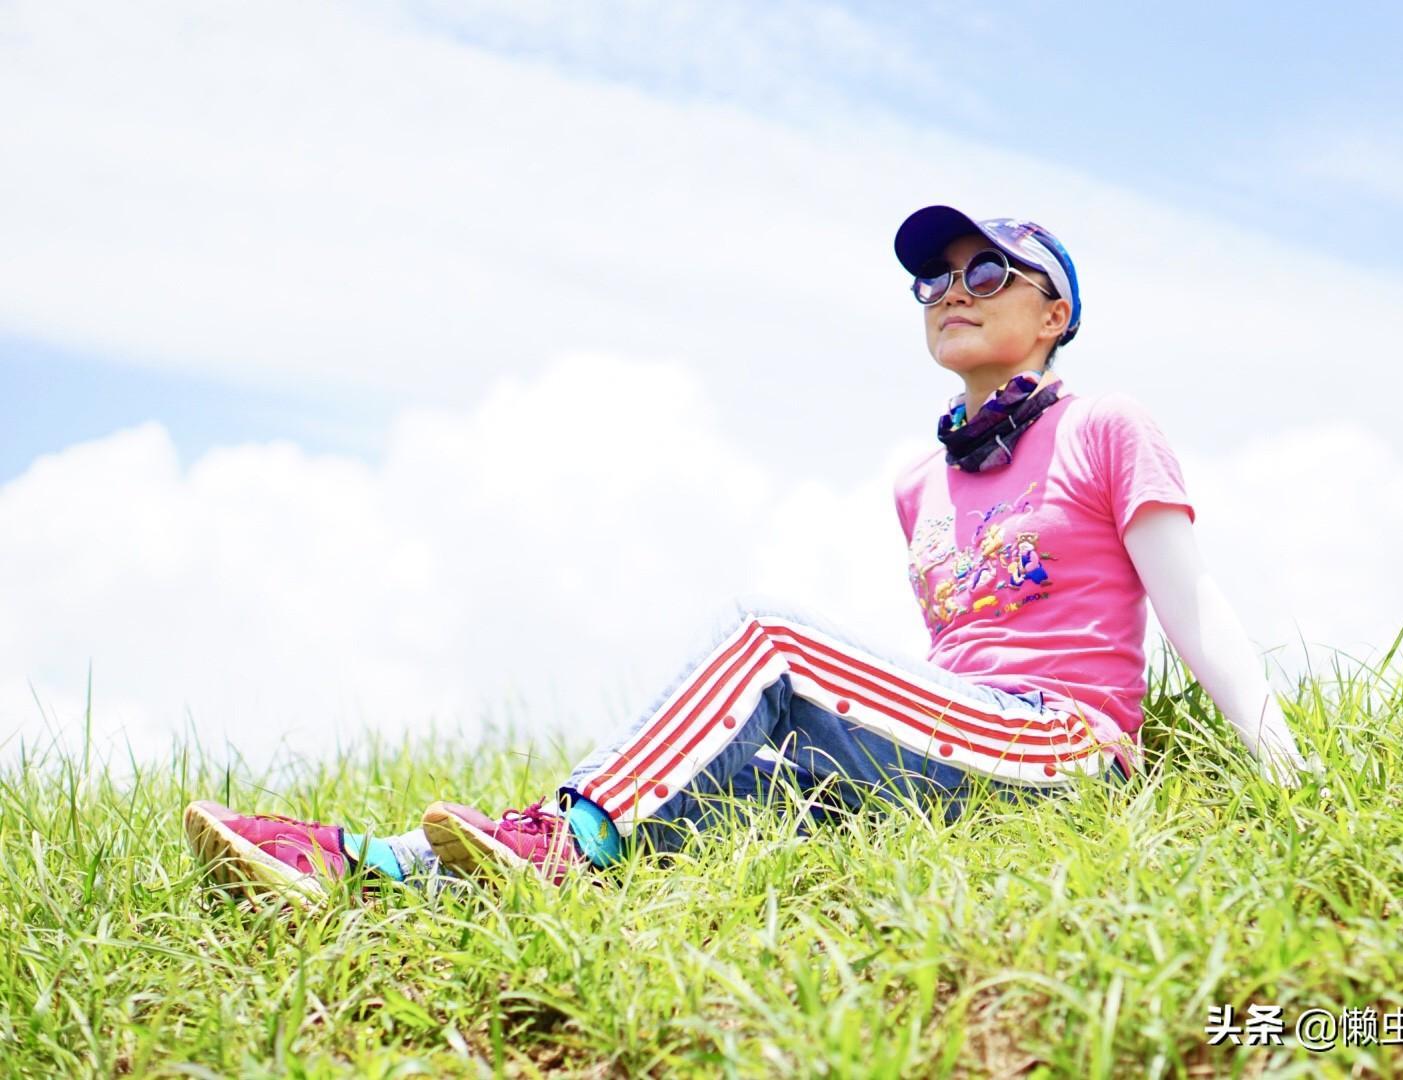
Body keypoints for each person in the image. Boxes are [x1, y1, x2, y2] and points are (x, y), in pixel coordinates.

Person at [183, 204, 1316, 902]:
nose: (951, 294)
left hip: (1064, 744)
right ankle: (365, 867)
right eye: (935, 279)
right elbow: (945, 668)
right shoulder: (917, 484)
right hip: (964, 748)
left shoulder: (1107, 425)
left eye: (986, 274)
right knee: (724, 788)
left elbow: (1193, 608)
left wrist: (1290, 779)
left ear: (1054, 312)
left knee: (771, 640)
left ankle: (555, 840)